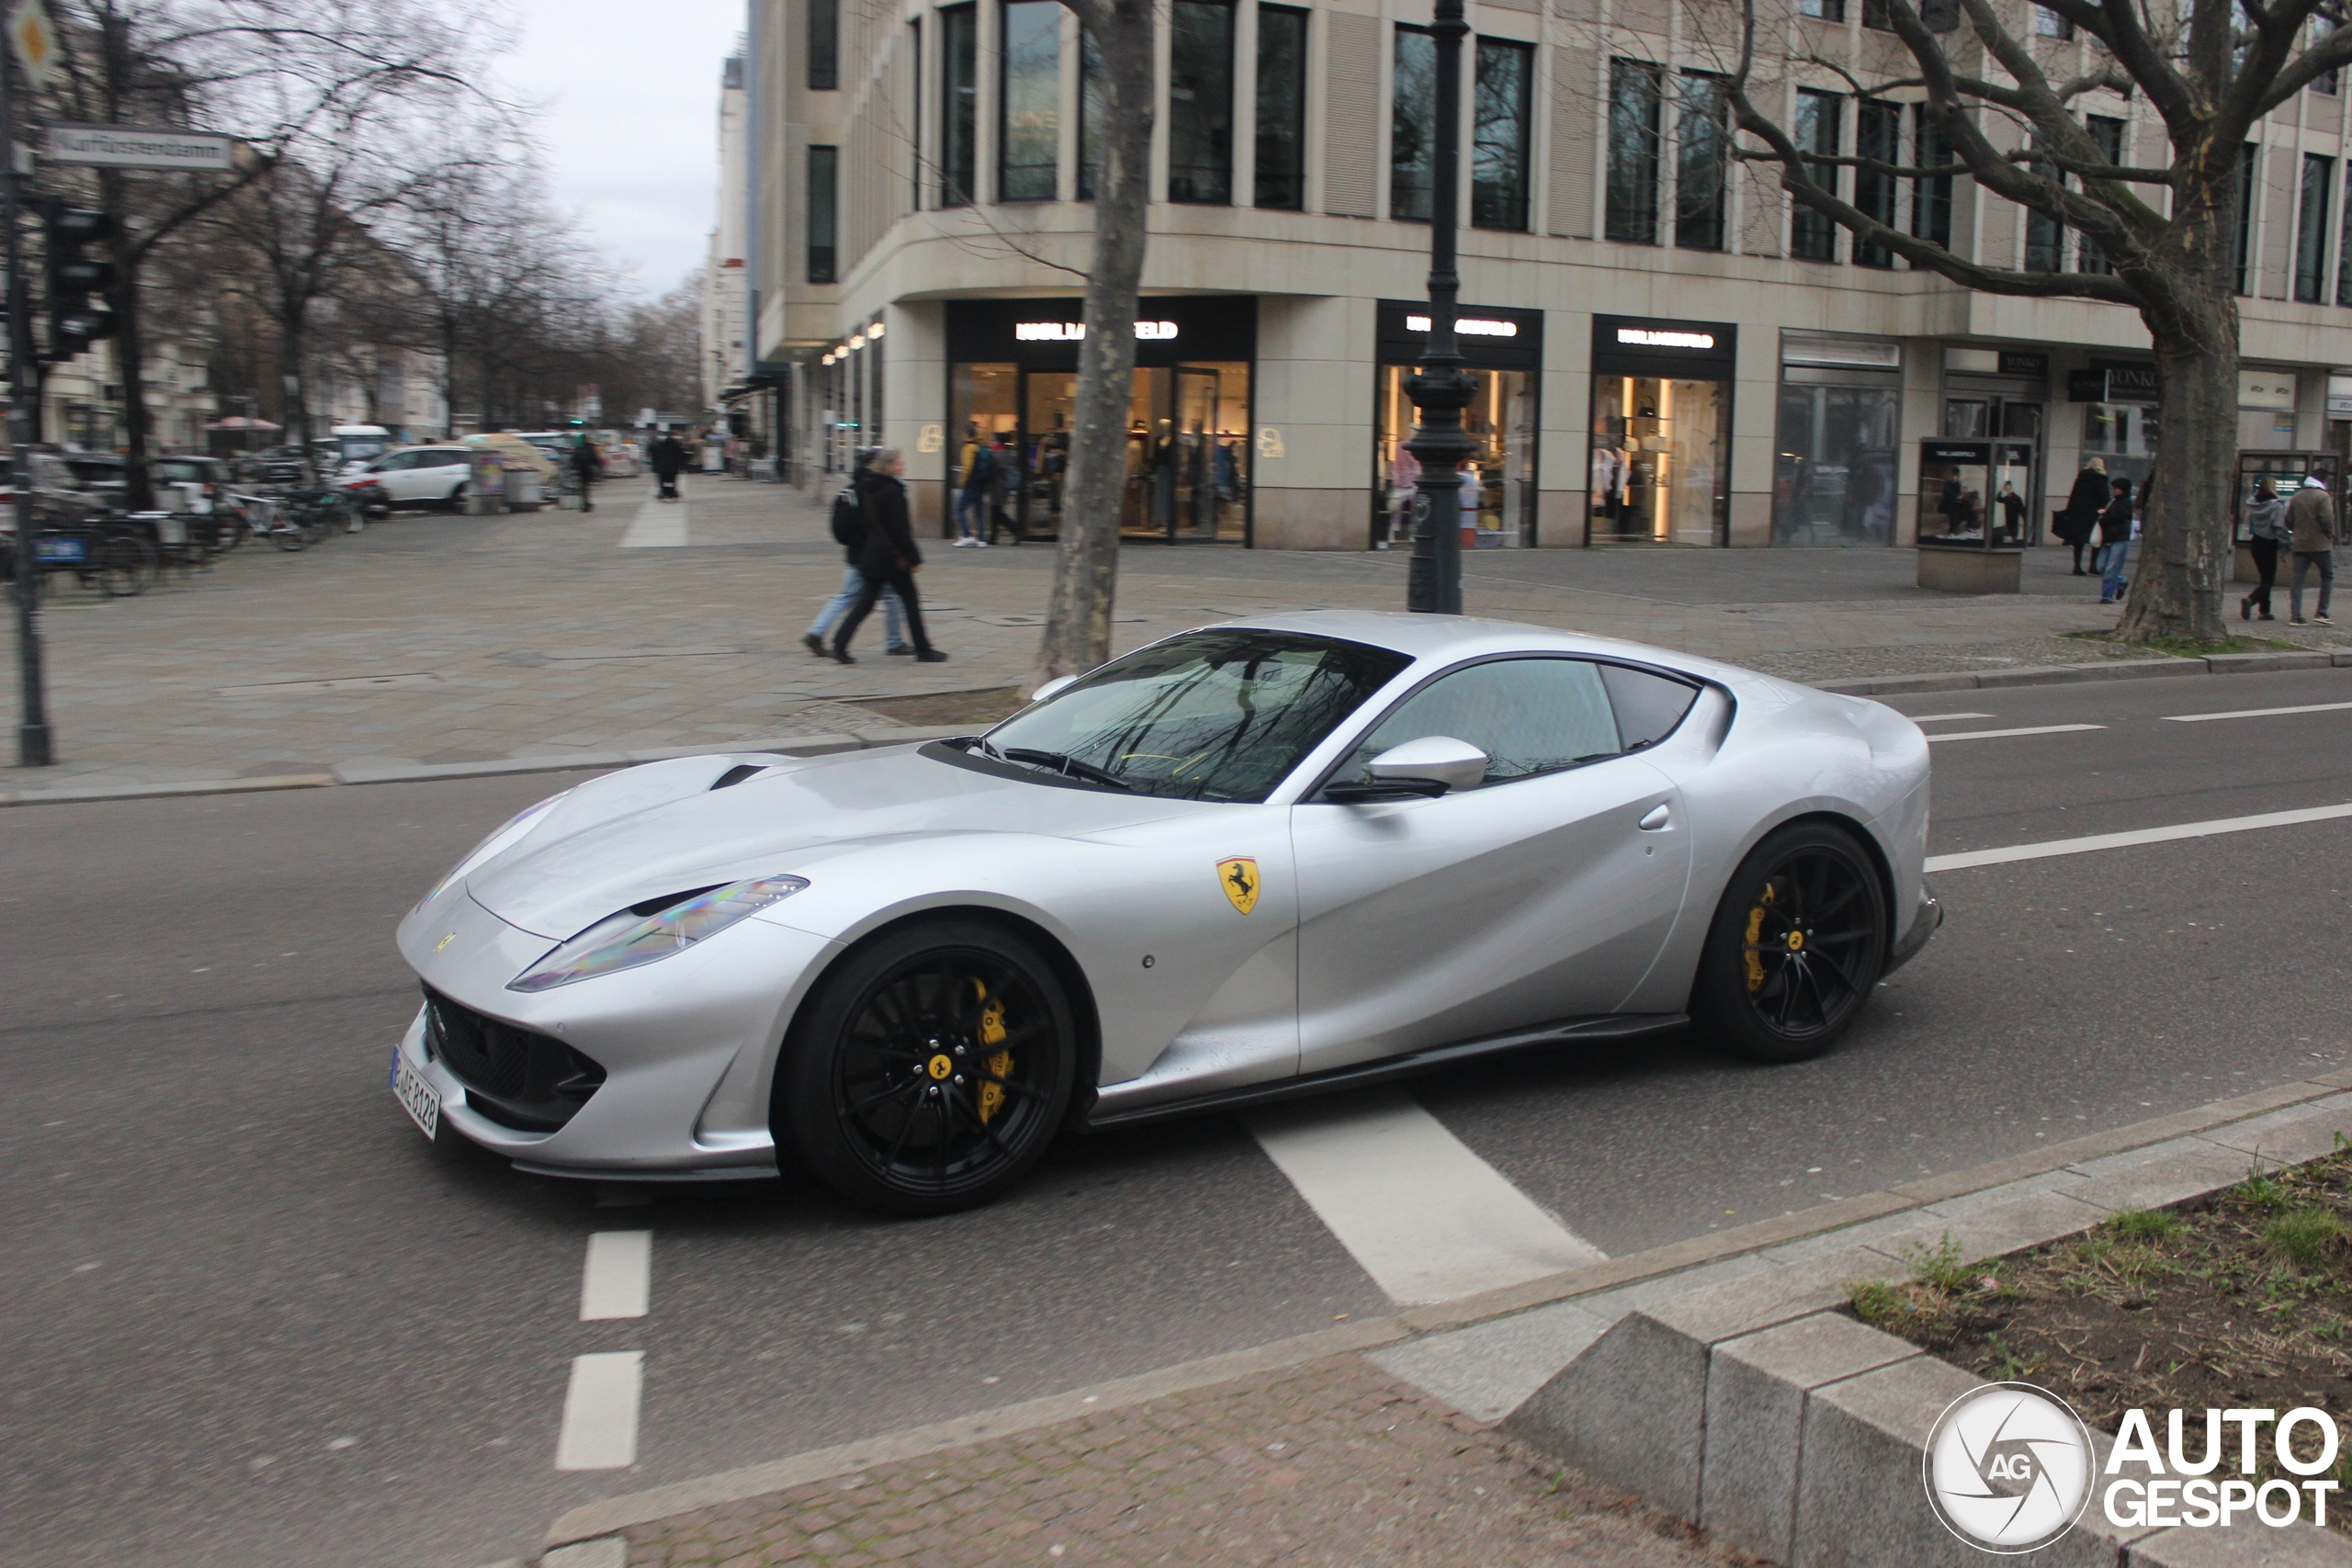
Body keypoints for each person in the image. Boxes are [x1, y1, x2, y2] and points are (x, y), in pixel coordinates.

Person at [831, 448, 947, 664]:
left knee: (866, 603)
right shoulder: (894, 492)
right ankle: (923, 649)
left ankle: (840, 643)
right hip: (892, 558)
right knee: (910, 602)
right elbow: (900, 531)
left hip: (873, 554)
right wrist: (914, 559)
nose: (903, 466)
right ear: (891, 466)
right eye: (899, 463)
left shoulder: (868, 488)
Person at [803, 450, 911, 657]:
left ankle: (817, 632)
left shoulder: (852, 489)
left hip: (857, 554)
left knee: (852, 597)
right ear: (873, 464)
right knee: (880, 597)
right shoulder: (871, 489)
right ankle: (893, 642)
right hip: (872, 557)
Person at [2287, 472, 2337, 625]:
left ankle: (2296, 615)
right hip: (2320, 545)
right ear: (2322, 482)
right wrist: (2329, 534)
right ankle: (2321, 612)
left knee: (2298, 579)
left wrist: (2297, 531)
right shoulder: (2322, 497)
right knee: (2327, 576)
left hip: (2300, 544)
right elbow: (2327, 519)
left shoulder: (2297, 496)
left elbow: (2288, 520)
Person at [2241, 476, 2289, 622]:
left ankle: (2265, 611)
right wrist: (2285, 545)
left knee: (2264, 578)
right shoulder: (2276, 506)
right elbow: (2279, 527)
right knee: (2268, 580)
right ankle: (2251, 600)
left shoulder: (2254, 503)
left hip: (2256, 541)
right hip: (2269, 542)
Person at [2057, 458, 2109, 575]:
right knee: (2096, 539)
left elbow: (2073, 495)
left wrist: (2069, 511)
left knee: (2078, 541)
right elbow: (2104, 498)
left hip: (2077, 513)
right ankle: (2093, 565)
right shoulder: (2101, 480)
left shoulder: (2080, 479)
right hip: (2093, 514)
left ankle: (2077, 566)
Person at [2096, 476, 2135, 604]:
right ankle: (2121, 582)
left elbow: (2116, 517)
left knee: (2111, 568)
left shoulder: (2126, 503)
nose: (2113, 490)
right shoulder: (2112, 502)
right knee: (2101, 566)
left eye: (2116, 488)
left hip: (2119, 538)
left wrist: (2104, 518)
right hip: (2107, 538)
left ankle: (2107, 596)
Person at [953, 426, 991, 546]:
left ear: (967, 435)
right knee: (978, 512)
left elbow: (968, 468)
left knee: (960, 509)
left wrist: (962, 481)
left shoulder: (968, 448)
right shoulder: (979, 447)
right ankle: (981, 539)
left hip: (971, 484)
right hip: (980, 484)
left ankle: (966, 535)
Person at [649, 427, 687, 502]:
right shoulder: (677, 445)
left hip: (663, 467)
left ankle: (664, 493)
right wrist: (681, 465)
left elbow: (656, 455)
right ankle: (671, 494)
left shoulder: (661, 445)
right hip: (673, 467)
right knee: (672, 481)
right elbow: (681, 456)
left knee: (664, 481)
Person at [569, 435, 605, 513]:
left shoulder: (577, 449)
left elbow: (573, 461)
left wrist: (573, 469)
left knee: (582, 488)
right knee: (586, 488)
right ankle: (587, 502)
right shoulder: (590, 449)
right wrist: (600, 469)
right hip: (588, 471)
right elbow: (595, 460)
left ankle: (584, 503)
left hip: (580, 471)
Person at [1996, 480, 2027, 544]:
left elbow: (2022, 511)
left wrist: (2025, 521)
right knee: (2008, 537)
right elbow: (1998, 499)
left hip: (2014, 522)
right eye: (2007, 488)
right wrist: (2001, 490)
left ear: (2011, 487)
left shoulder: (2017, 499)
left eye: (2009, 488)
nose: (2008, 490)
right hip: (2008, 522)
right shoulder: (2006, 498)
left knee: (2013, 537)